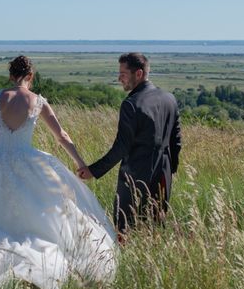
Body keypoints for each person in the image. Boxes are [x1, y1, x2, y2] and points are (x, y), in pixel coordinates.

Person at [0, 55, 117, 289]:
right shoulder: (38, 101)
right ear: (31, 76)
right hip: (26, 160)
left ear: (11, 75)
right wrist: (81, 163)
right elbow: (61, 136)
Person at [77, 53, 181, 236]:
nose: (119, 78)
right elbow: (176, 141)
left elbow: (121, 148)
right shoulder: (169, 99)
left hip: (134, 178)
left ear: (139, 74)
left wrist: (93, 170)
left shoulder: (131, 104)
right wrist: (170, 169)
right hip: (163, 176)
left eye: (123, 74)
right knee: (155, 229)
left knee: (125, 230)